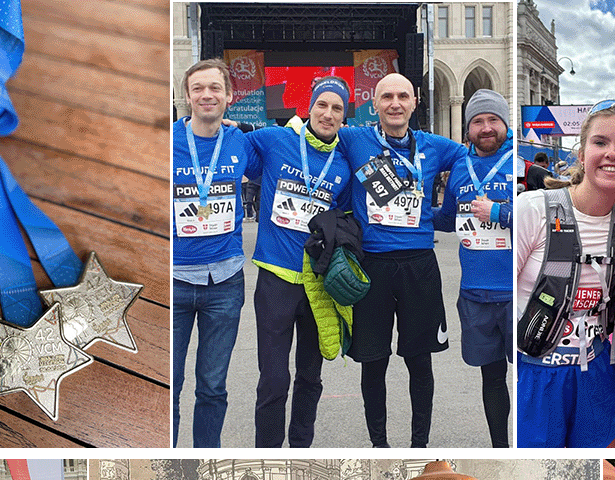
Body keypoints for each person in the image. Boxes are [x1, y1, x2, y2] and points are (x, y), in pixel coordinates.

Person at [338, 73, 471, 448]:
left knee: (419, 362)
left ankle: (419, 444)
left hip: (419, 266)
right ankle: (379, 445)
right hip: (373, 267)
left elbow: (469, 154)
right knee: (373, 362)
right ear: (375, 105)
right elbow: (312, 130)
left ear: (414, 102)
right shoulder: (355, 139)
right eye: (386, 97)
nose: (395, 103)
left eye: (402, 96)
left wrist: (443, 212)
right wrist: (235, 126)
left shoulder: (436, 146)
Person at [515, 101, 615, 447]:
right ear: (582, 154)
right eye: (600, 143)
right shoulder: (535, 208)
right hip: (536, 372)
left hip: (596, 371)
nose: (611, 153)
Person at [240, 77, 351, 447]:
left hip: (316, 283)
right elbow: (233, 149)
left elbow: (347, 218)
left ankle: (301, 446)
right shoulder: (276, 140)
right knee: (273, 379)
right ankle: (266, 450)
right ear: (310, 107)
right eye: (323, 105)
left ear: (344, 116)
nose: (328, 114)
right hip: (276, 280)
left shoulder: (344, 165)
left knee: (310, 376)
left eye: (337, 108)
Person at [428, 90, 516, 445]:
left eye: (493, 120)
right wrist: (413, 216)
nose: (486, 127)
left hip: (519, 296)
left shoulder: (520, 164)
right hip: (476, 295)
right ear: (468, 129)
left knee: (528, 380)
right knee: (492, 379)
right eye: (478, 121)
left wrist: (498, 212)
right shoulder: (460, 169)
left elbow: (544, 222)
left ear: (505, 125)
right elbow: (450, 219)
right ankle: (501, 446)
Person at [171, 59, 250, 448]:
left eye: (215, 88)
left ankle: (205, 455)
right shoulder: (164, 143)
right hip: (174, 281)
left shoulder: (242, 142)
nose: (207, 95)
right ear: (186, 96)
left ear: (229, 96)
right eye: (198, 88)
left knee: (213, 387)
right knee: (169, 387)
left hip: (225, 282)